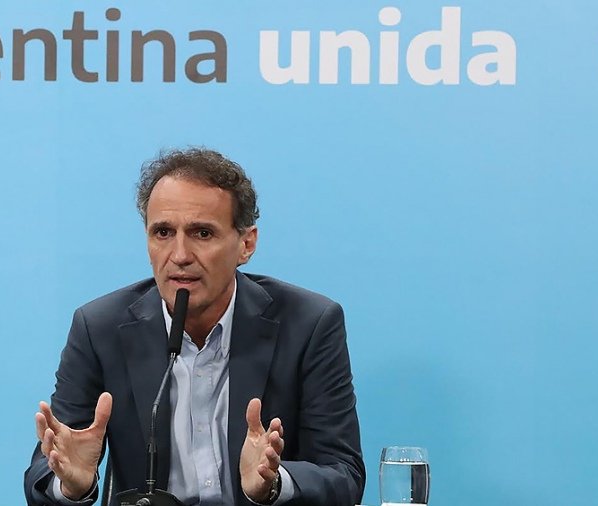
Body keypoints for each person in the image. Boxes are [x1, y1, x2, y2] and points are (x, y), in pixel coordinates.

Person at [24, 148, 365, 506]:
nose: (180, 255)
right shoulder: (99, 328)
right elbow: (44, 476)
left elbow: (344, 474)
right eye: (163, 232)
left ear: (246, 244)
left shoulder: (309, 324)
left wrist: (275, 482)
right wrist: (72, 485)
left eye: (202, 233)